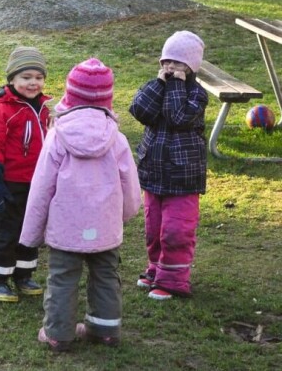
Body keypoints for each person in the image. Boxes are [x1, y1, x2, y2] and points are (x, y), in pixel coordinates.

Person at [20, 58, 142, 352]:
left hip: (66, 228)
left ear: (70, 96)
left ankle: (57, 334)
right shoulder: (117, 139)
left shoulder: (57, 137)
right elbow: (131, 184)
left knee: (62, 278)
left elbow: (41, 187)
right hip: (105, 228)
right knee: (106, 276)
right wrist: (124, 216)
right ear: (107, 99)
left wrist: (31, 234)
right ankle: (106, 329)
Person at [129, 30, 208, 300]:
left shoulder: (197, 94)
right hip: (154, 171)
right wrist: (159, 84)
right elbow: (139, 111)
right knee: (154, 228)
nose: (170, 67)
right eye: (166, 61)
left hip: (183, 177)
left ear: (191, 67)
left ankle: (173, 279)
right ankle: (156, 268)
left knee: (176, 229)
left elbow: (178, 116)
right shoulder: (157, 85)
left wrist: (175, 86)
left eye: (177, 63)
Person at [0, 46, 51, 302]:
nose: (33, 83)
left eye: (38, 77)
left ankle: (23, 275)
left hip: (37, 182)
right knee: (5, 232)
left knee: (30, 231)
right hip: (9, 183)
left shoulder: (45, 109)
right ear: (12, 79)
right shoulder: (1, 111)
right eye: (26, 77)